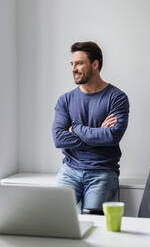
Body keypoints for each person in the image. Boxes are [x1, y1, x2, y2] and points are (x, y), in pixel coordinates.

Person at [52, 41, 129, 213]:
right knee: (56, 216)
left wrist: (77, 128)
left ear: (95, 64)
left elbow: (112, 137)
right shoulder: (65, 100)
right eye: (72, 64)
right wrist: (97, 135)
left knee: (92, 220)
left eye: (79, 63)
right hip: (70, 170)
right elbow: (58, 138)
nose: (73, 69)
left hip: (102, 172)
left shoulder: (117, 98)